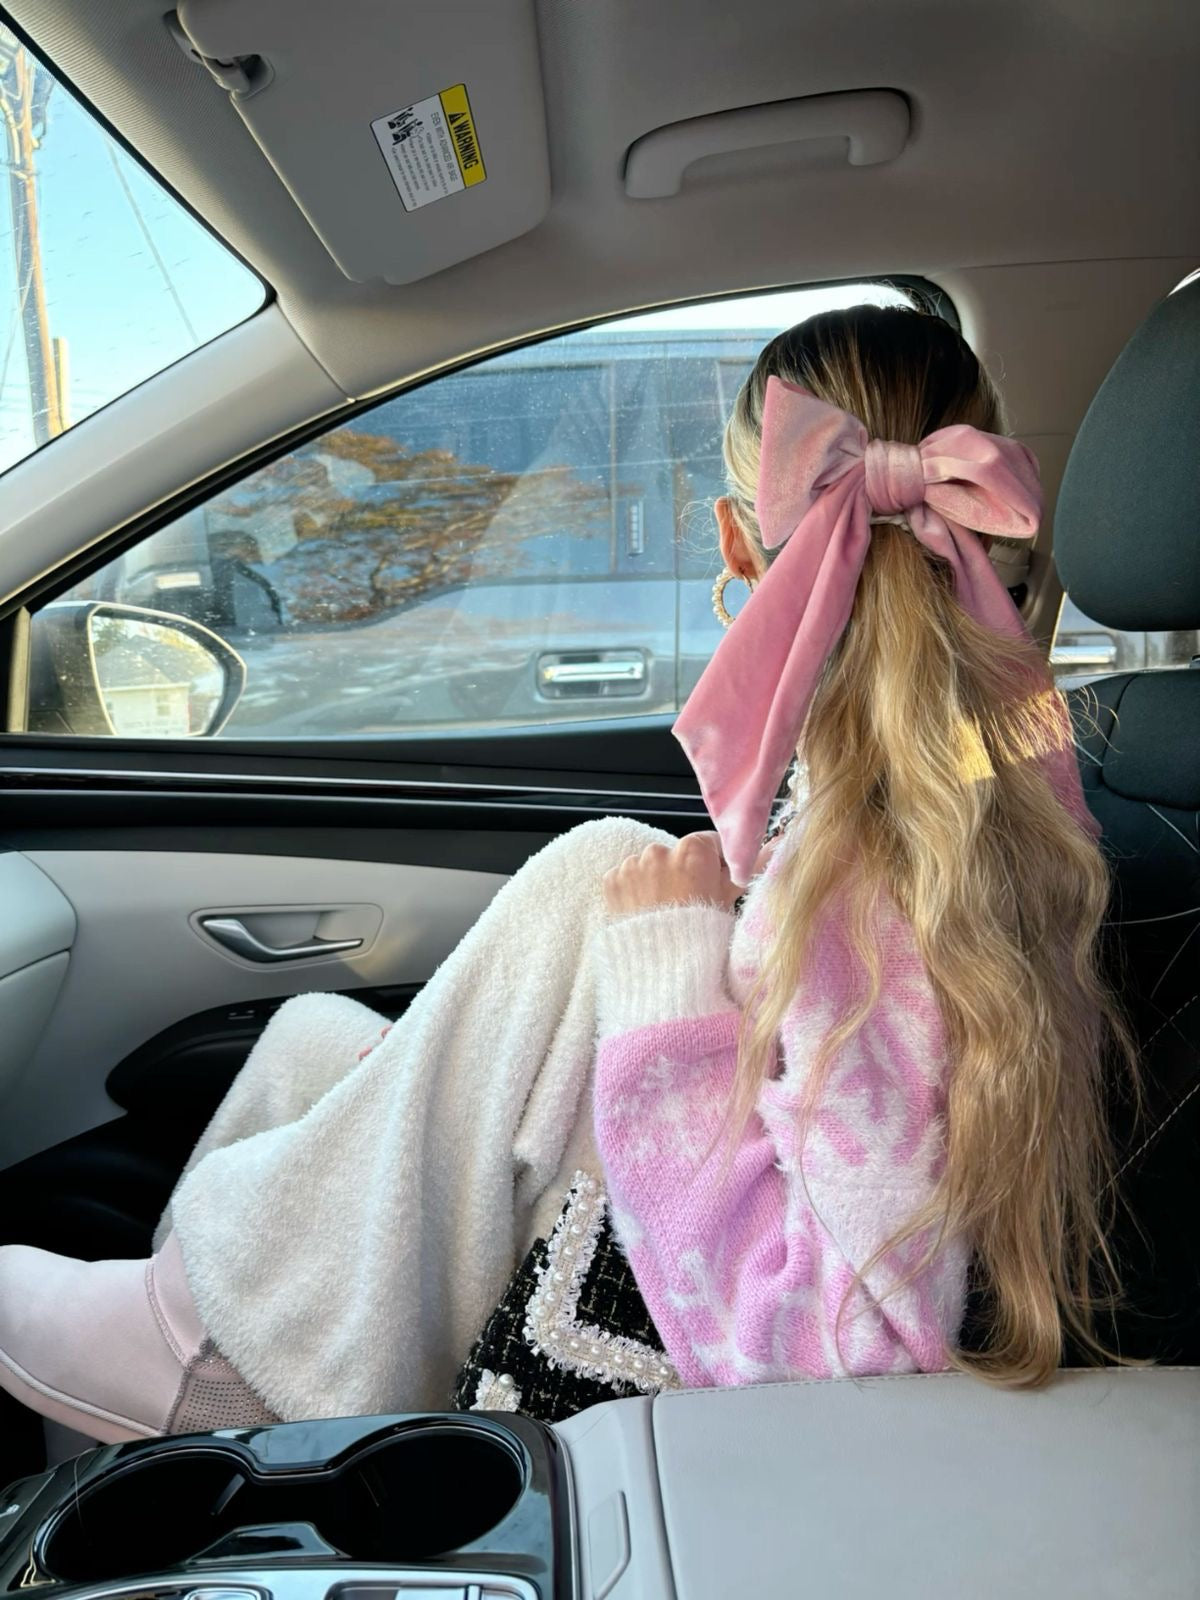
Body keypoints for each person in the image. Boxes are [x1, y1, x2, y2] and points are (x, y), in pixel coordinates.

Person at [0, 307, 1128, 1443]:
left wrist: (669, 986)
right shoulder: (967, 792)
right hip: (710, 1224)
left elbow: (844, 1345)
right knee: (315, 1043)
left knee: (597, 875)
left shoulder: (877, 876)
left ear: (737, 544)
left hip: (725, 1390)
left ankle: (222, 1363)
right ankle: (205, 1336)